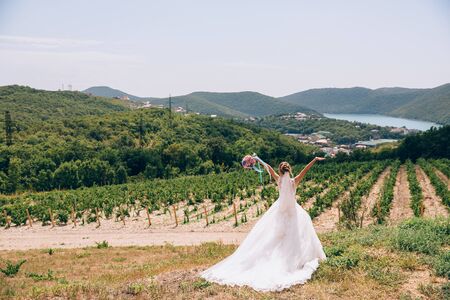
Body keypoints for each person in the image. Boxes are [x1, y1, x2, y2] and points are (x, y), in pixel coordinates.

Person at [200, 157, 327, 292]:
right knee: (296, 234)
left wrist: (258, 159)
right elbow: (305, 170)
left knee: (277, 237)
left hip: (280, 212)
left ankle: (281, 257)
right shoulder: (294, 181)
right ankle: (295, 260)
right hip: (293, 212)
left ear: (280, 170)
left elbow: (268, 168)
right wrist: (314, 159)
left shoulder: (279, 180)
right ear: (289, 170)